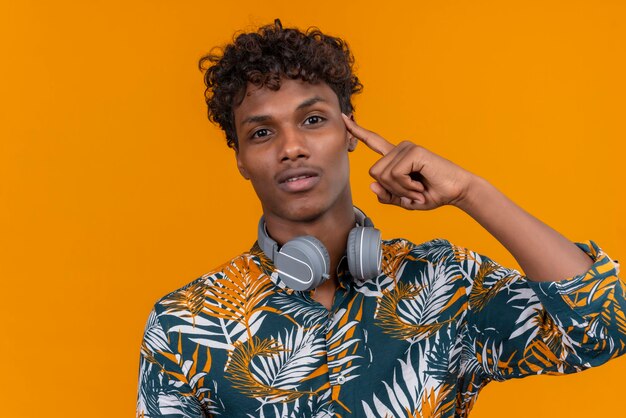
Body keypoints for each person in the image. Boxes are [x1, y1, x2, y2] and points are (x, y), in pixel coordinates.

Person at [136, 19, 625, 418]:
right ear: (240, 158)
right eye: (262, 132)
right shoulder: (185, 323)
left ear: (350, 131)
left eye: (312, 120)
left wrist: (471, 192)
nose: (292, 148)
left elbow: (606, 327)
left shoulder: (443, 282)